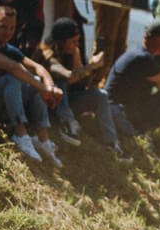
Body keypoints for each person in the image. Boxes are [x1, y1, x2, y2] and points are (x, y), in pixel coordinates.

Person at [37, 17, 131, 159]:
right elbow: (68, 76)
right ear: (62, 41)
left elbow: (82, 84)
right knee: (60, 83)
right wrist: (91, 66)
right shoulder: (47, 53)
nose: (76, 45)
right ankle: (67, 124)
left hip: (65, 102)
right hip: (47, 105)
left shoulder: (71, 51)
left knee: (100, 95)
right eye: (73, 42)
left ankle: (111, 143)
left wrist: (79, 58)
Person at [0, 5, 63, 165]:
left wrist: (50, 88)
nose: (7, 32)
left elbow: (39, 68)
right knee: (14, 78)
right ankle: (20, 134)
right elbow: (13, 68)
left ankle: (42, 139)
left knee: (32, 83)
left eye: (12, 28)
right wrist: (43, 88)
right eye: (3, 26)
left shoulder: (8, 48)